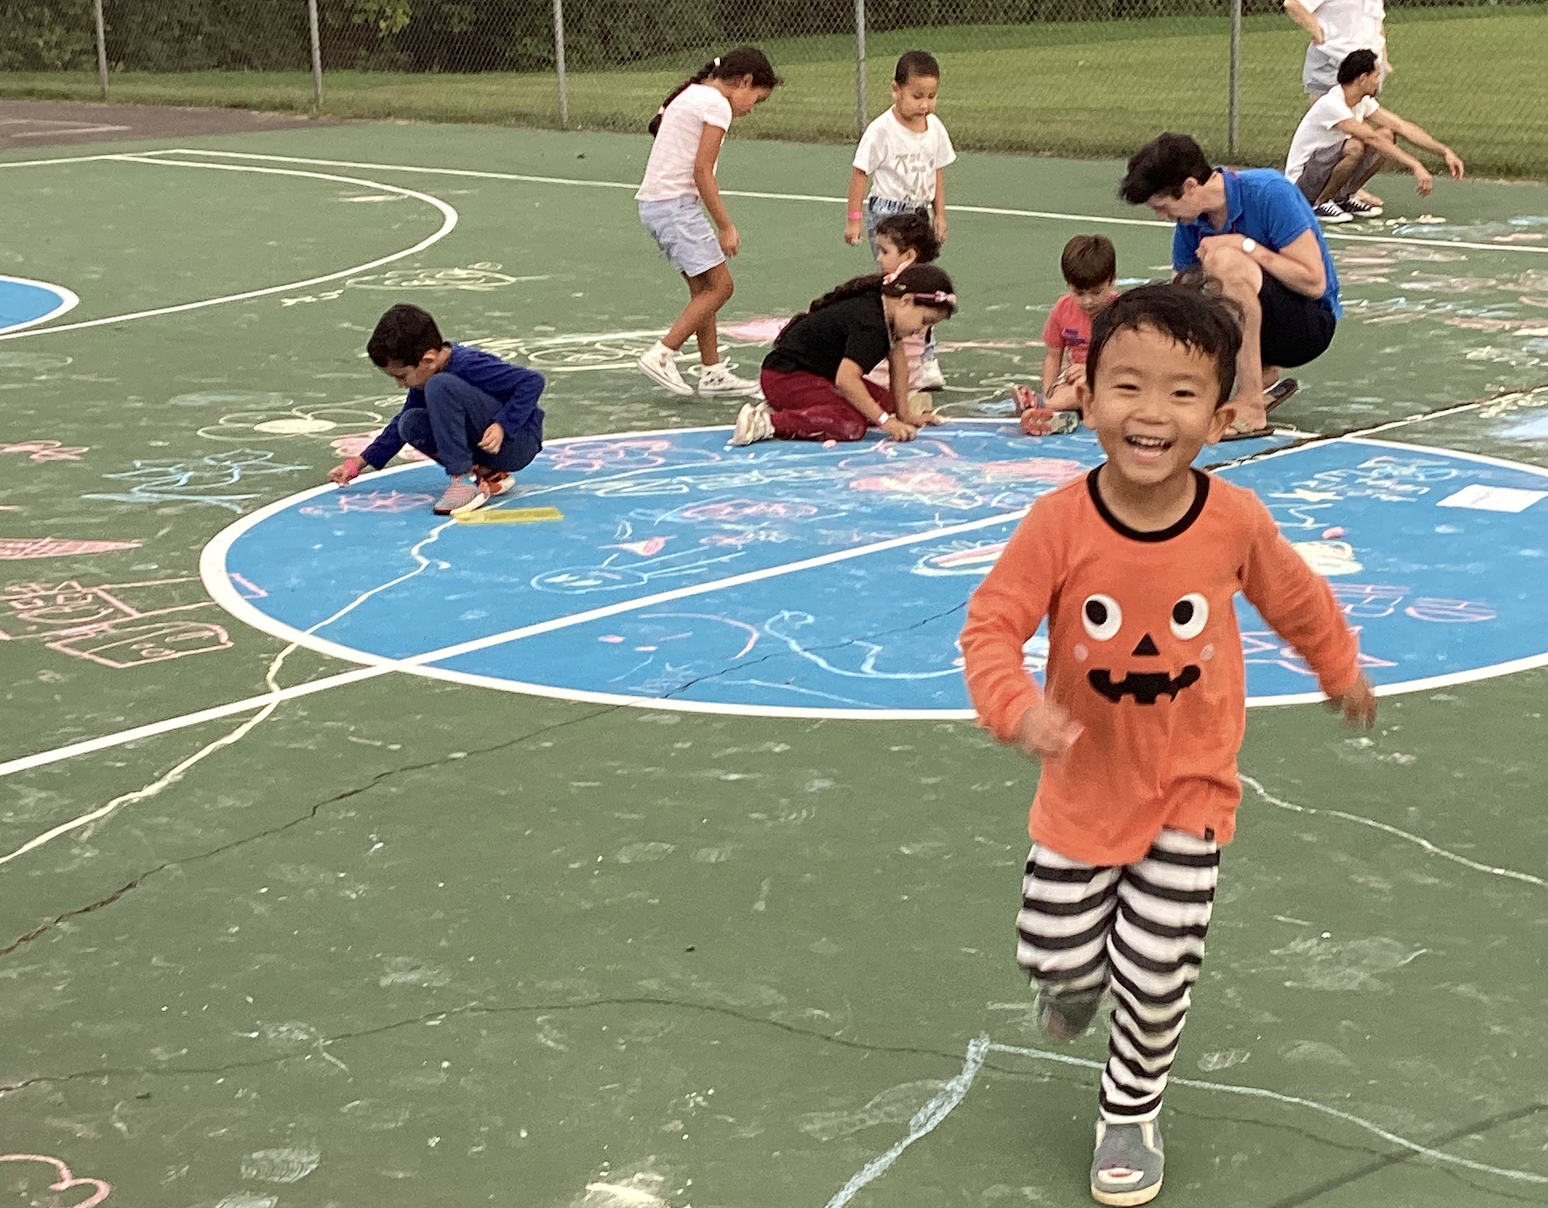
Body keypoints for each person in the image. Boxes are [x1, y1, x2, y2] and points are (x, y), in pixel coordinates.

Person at [959, 284, 1375, 1207]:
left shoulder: (1234, 521)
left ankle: (1130, 1106)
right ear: (1087, 392)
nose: (1151, 413)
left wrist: (1337, 666)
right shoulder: (1059, 523)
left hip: (1191, 786)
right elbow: (990, 626)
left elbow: (1295, 598)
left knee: (1158, 970)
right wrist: (1015, 708)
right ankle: (1068, 988)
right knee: (1057, 950)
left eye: (1182, 394)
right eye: (1127, 387)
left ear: (1222, 417)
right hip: (1079, 790)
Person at [1120, 133, 1336, 439]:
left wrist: (1245, 245)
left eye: (1163, 205)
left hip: (1307, 325)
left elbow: (1314, 282)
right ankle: (1260, 374)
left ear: (1190, 187)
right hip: (1255, 327)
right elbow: (1182, 298)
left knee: (1224, 262)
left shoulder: (1269, 192)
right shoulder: (1191, 221)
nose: (1161, 216)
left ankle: (1251, 404)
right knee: (1184, 293)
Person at [635, 47, 782, 399]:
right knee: (721, 287)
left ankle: (712, 371)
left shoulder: (692, 95)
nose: (751, 108)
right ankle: (663, 353)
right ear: (744, 82)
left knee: (703, 291)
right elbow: (702, 170)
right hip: (675, 207)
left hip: (660, 205)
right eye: (756, 100)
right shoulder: (716, 105)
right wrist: (725, 226)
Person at [328, 303, 544, 515]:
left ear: (428, 360)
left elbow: (531, 382)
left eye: (401, 376)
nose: (399, 384)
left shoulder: (467, 365)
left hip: (518, 442)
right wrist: (359, 462)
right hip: (490, 451)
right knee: (409, 422)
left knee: (439, 386)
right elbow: (401, 423)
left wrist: (503, 425)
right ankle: (491, 475)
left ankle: (465, 482)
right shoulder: (427, 376)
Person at [730, 264, 958, 446]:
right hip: (786, 377)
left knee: (883, 403)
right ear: (906, 301)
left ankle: (799, 409)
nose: (922, 331)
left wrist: (903, 413)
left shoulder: (885, 309)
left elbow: (898, 362)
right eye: (925, 321)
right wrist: (886, 422)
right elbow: (846, 380)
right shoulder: (871, 325)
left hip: (813, 375)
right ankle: (764, 423)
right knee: (850, 424)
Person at [1285, 48, 1464, 224]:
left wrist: (1444, 151)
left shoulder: (1362, 102)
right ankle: (1320, 203)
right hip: (1302, 183)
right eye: (1376, 75)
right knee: (1356, 146)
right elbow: (1372, 138)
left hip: (1323, 172)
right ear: (1363, 78)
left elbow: (1400, 125)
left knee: (1386, 133)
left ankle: (1344, 197)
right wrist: (1415, 165)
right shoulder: (1332, 104)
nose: (1378, 81)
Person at [844, 51, 956, 257]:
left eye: (931, 97)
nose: (925, 104)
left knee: (918, 276)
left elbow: (936, 170)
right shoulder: (882, 130)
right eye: (917, 96)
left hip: (919, 214)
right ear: (896, 90)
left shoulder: (935, 128)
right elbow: (860, 173)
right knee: (895, 277)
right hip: (888, 214)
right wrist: (853, 220)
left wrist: (939, 214)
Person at [1018, 235, 1120, 437]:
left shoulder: (1122, 313)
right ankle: (1054, 409)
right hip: (1074, 383)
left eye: (1096, 292)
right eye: (1079, 293)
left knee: (1086, 387)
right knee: (1069, 389)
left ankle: (1045, 405)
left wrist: (1090, 370)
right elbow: (1053, 355)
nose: (1088, 301)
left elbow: (1130, 359)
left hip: (1110, 379)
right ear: (1068, 285)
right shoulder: (1062, 310)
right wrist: (1049, 389)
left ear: (1112, 280)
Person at [865, 211, 945, 397]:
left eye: (885, 251)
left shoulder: (896, 294)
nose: (878, 258)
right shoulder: (926, 288)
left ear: (908, 256)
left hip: (881, 380)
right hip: (909, 381)